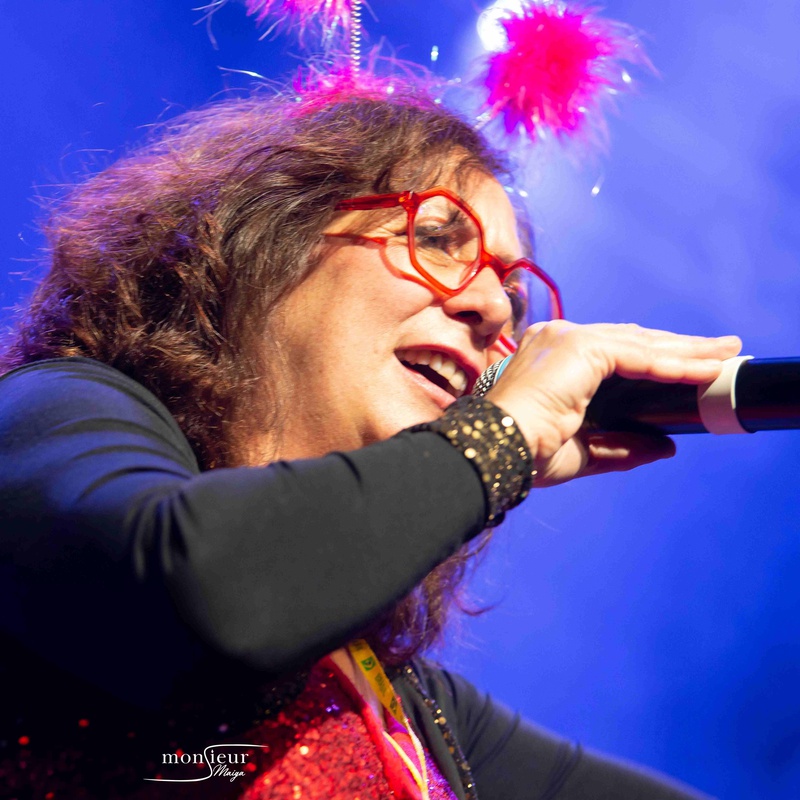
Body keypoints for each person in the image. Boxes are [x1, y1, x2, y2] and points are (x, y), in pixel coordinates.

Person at [0, 88, 741, 799]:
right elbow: (199, 593)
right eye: (438, 239)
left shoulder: (403, 710)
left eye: (514, 298)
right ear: (269, 237)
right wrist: (500, 438)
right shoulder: (53, 408)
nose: (493, 308)